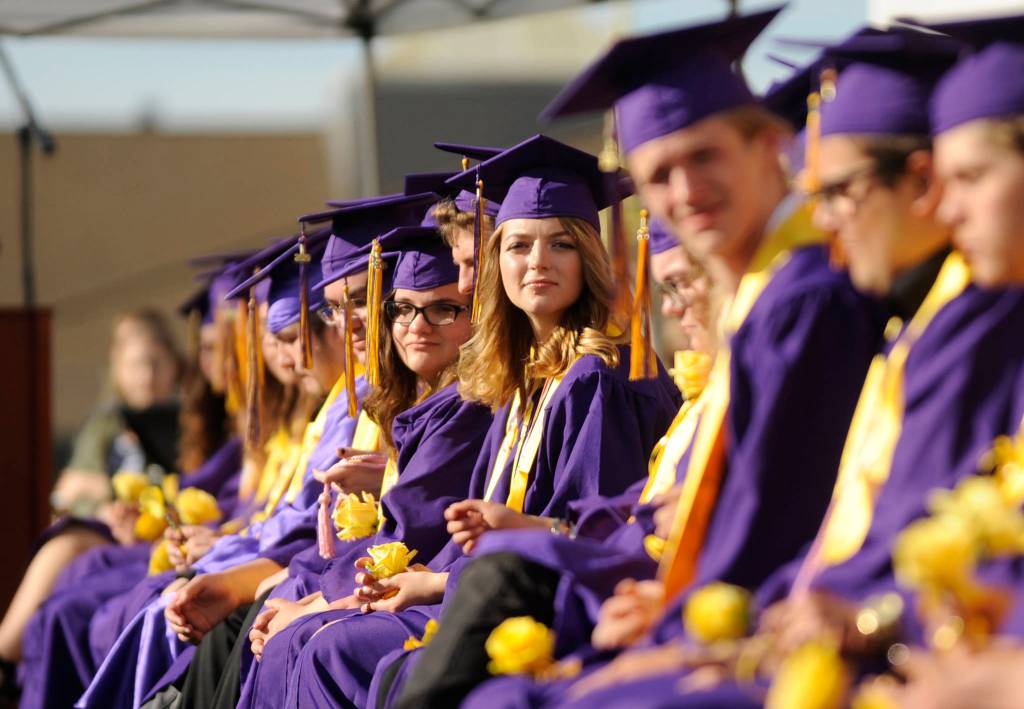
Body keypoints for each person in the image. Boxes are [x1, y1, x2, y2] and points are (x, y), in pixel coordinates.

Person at [282, 133, 681, 709]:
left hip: (556, 605)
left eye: (561, 245)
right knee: (335, 642)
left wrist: (439, 583)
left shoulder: (599, 376)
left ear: (590, 259)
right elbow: (474, 529)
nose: (537, 262)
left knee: (337, 650)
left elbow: (594, 537)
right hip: (486, 590)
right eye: (518, 245)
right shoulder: (522, 379)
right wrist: (416, 579)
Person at [230, 226, 495, 709]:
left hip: (451, 587)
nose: (418, 325)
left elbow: (411, 529)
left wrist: (320, 599)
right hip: (415, 577)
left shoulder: (465, 405)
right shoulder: (409, 403)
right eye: (404, 309)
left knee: (309, 638)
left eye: (443, 308)